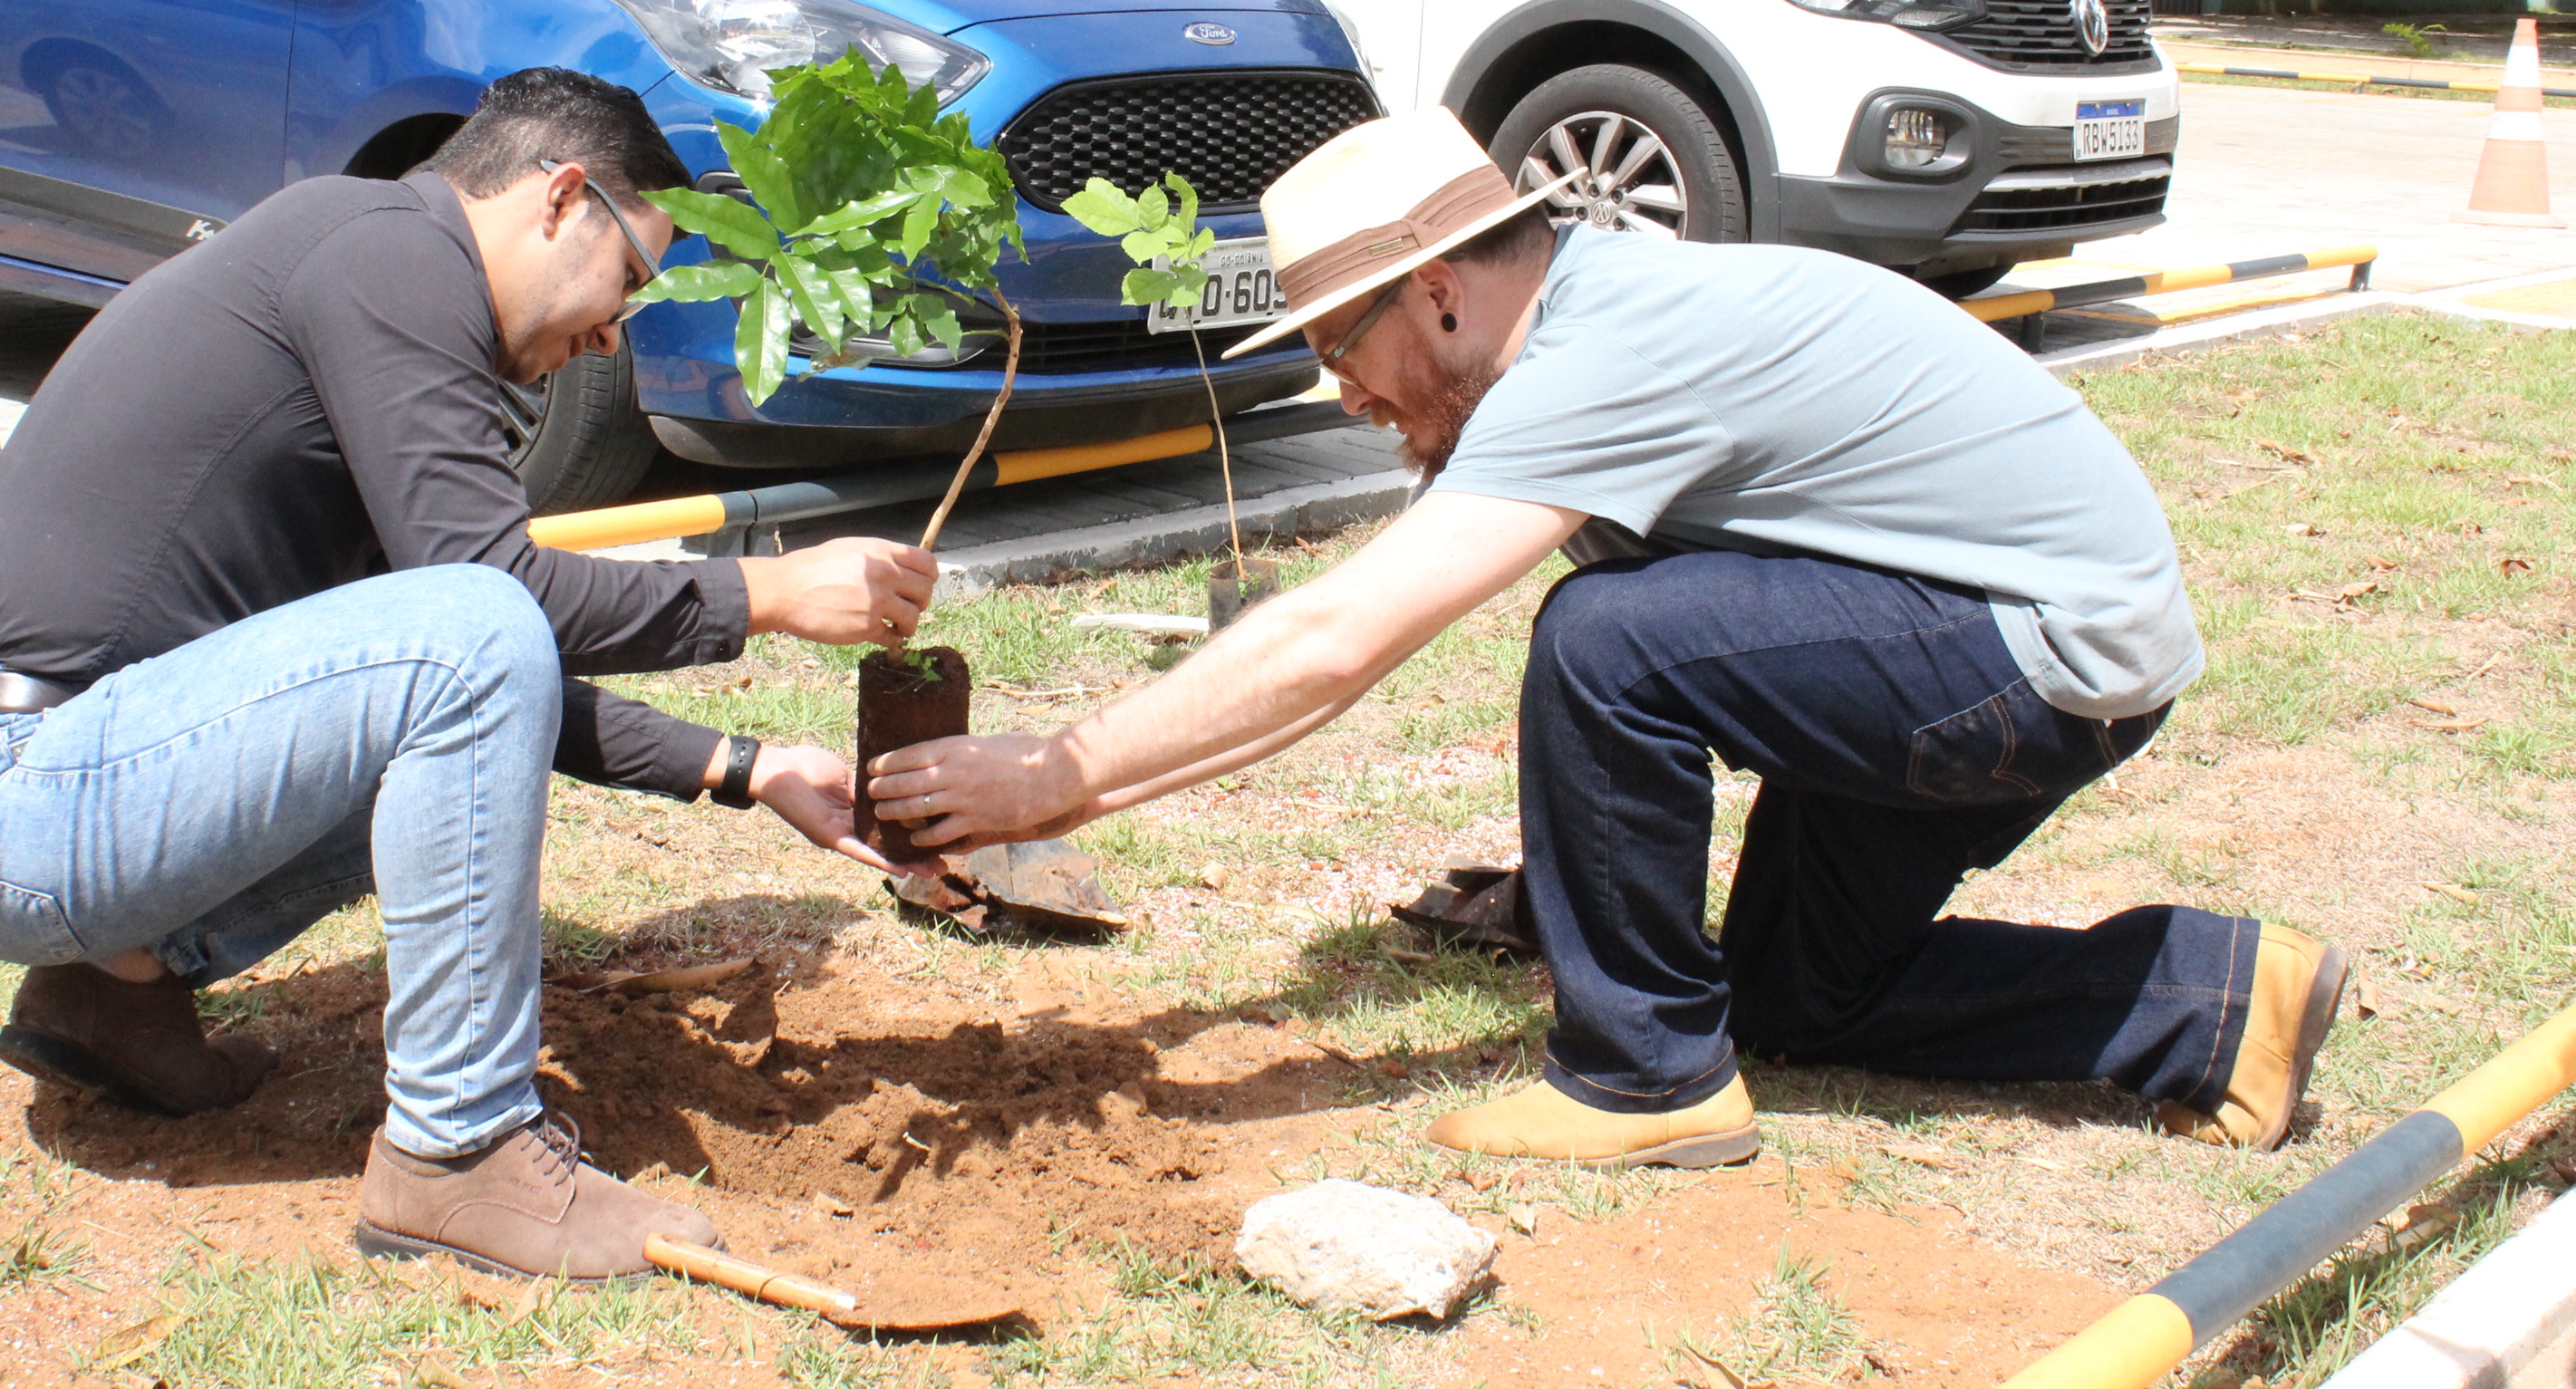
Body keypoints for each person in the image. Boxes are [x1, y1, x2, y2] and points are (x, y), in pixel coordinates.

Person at [866, 109, 2348, 1166]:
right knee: (1788, 1001)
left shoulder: (1588, 360)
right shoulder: (1588, 317)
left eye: (1339, 349)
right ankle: (2209, 1002)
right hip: (2004, 634)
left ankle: (1639, 1080)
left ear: (1438, 294)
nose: (1343, 396)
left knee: (1607, 638)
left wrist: (1053, 777)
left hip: (2033, 654)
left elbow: (1337, 642)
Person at [0, 68, 937, 1277]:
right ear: (560, 198)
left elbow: (482, 683)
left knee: (468, 645)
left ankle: (109, 995)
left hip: (56, 792)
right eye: (627, 284)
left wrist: (748, 771)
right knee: (477, 624)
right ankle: (458, 1148)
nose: (611, 333)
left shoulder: (366, 279)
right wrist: (772, 591)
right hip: (15, 798)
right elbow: (495, 615)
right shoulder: (388, 253)